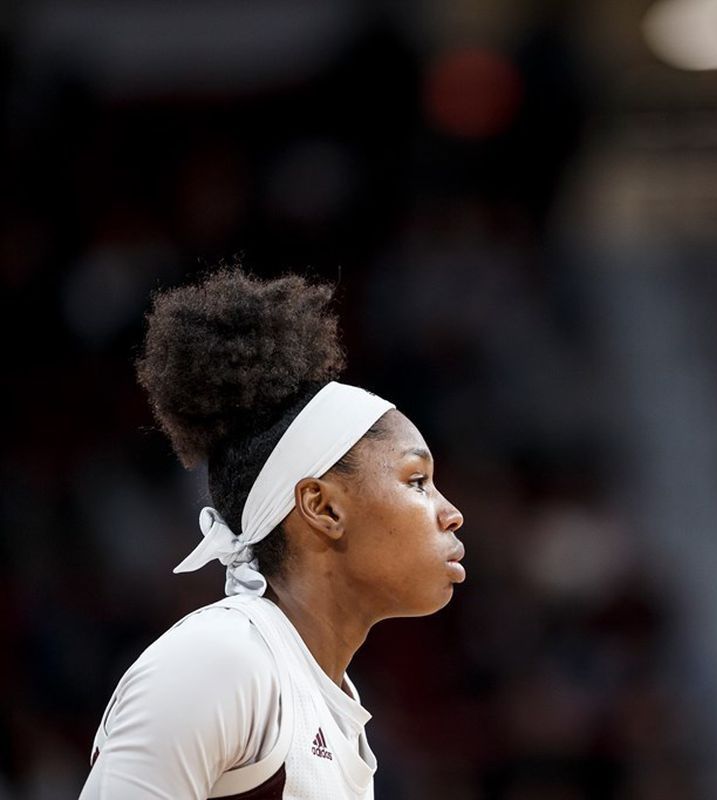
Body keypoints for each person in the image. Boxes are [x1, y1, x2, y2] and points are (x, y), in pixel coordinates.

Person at [79, 267, 466, 799]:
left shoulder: (333, 706)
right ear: (322, 507)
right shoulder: (223, 659)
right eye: (417, 481)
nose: (451, 513)